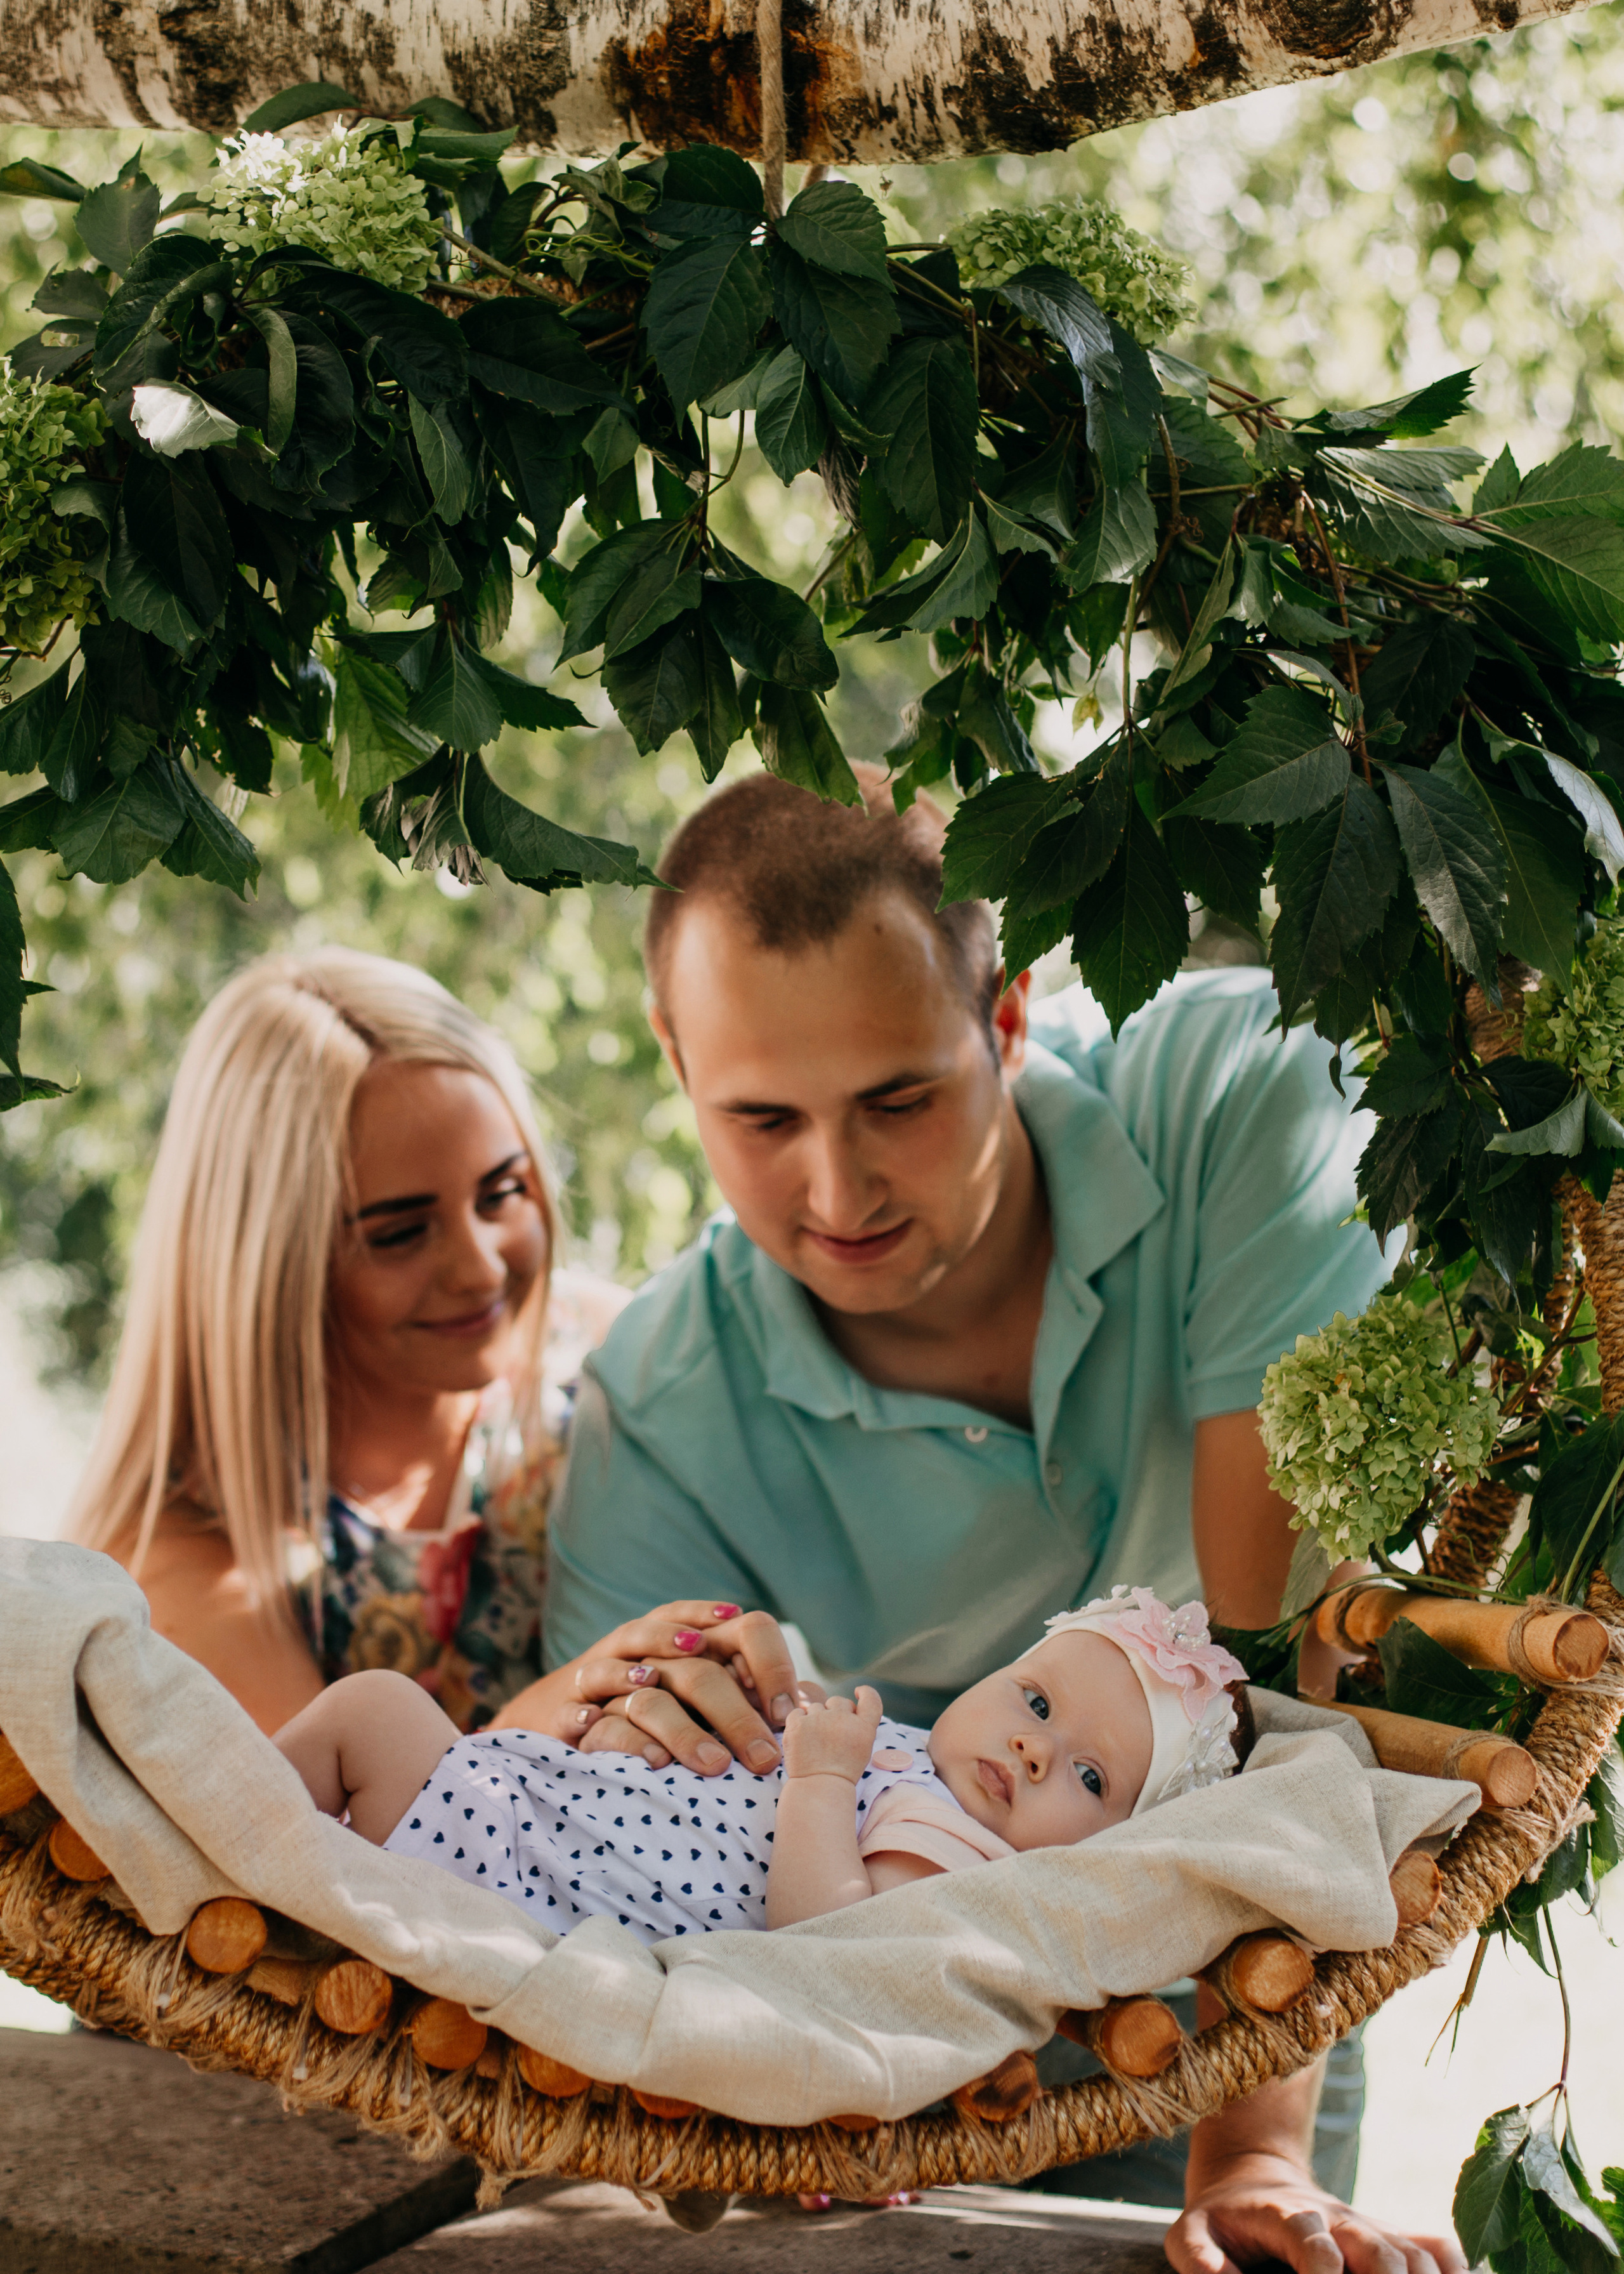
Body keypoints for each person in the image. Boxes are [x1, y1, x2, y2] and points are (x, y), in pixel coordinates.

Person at [531, 770, 1454, 2274]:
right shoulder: (658, 1408)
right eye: (760, 1116)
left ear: (1006, 1009)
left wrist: (1252, 2153)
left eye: (897, 1098)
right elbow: (619, 1864)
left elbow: (1287, 1667)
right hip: (874, 2044)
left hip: (1243, 1993)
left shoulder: (1242, 1103)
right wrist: (649, 1705)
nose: (836, 1191)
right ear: (671, 1056)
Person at [68, 947, 792, 1752]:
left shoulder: (615, 1364)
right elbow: (318, 1857)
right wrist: (551, 1719)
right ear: (270, 1262)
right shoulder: (181, 1555)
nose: (481, 1265)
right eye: (400, 1232)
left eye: (504, 1191)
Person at [273, 1587, 1245, 1936]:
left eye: (1090, 1778)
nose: (1036, 1749)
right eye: (1034, 1700)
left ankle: (218, 1831)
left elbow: (835, 1942)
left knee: (374, 1712)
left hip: (539, 1876)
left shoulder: (964, 1861)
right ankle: (229, 1829)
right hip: (545, 1807)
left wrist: (821, 1780)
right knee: (376, 1715)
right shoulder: (916, 1760)